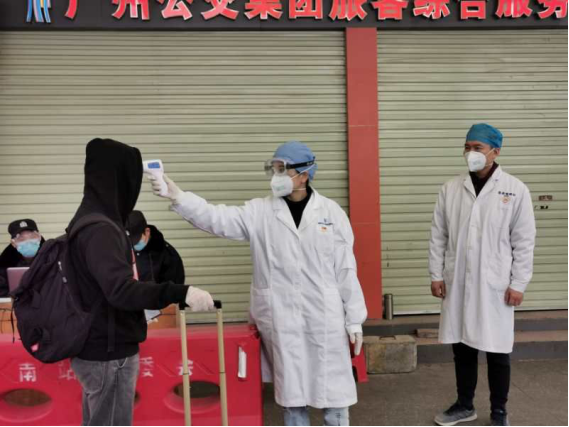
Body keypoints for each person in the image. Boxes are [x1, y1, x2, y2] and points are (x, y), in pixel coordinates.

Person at [149, 141, 368, 427]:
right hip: (282, 319)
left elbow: (346, 269)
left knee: (335, 400)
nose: (276, 175)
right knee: (293, 400)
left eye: (282, 169)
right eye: (274, 169)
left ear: (304, 174)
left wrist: (354, 319)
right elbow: (217, 218)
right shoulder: (259, 212)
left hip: (324, 319)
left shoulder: (331, 213)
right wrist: (178, 197)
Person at [68, 138, 215, 426]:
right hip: (108, 351)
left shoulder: (88, 219)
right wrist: (180, 292)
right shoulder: (102, 229)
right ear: (121, 179)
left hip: (97, 345)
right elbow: (120, 290)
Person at [429, 124, 536, 427]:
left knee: (497, 349)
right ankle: (465, 405)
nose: (471, 153)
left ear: (495, 152)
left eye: (478, 147)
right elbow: (438, 235)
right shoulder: (450, 188)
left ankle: (499, 411)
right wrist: (436, 274)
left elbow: (524, 241)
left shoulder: (515, 189)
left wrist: (518, 283)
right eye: (467, 147)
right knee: (462, 347)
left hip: (495, 284)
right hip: (458, 282)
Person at [127, 210, 185, 285]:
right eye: (128, 241)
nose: (132, 246)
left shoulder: (168, 255)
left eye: (136, 241)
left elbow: (174, 287)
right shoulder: (119, 249)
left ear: (147, 232)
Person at [0, 219, 44, 297]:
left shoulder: (51, 258)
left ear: (39, 238)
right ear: (13, 243)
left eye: (32, 237)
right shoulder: (5, 263)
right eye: (21, 239)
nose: (28, 242)